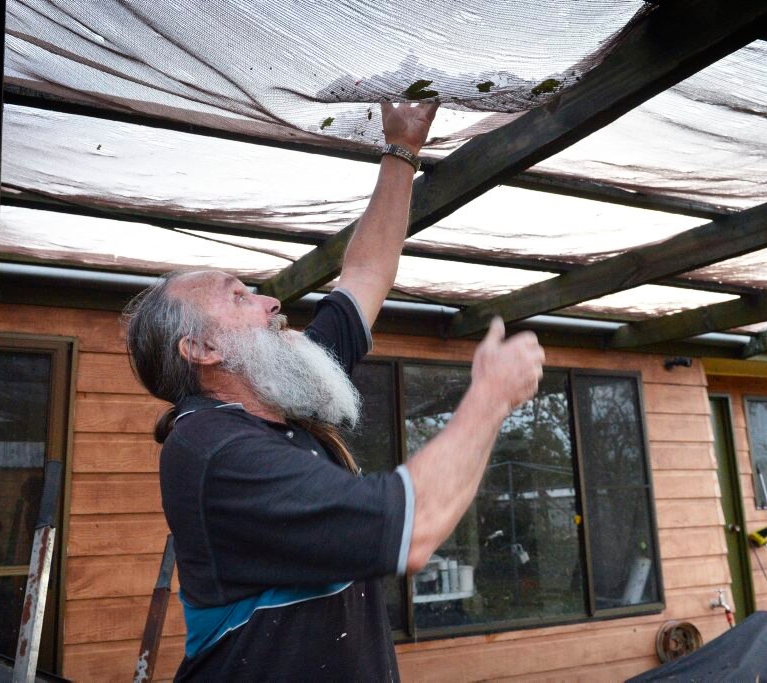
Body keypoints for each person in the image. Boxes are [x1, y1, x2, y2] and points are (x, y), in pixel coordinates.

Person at [123, 103, 545, 681]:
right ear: (201, 351)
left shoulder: (281, 395)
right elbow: (408, 528)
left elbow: (364, 278)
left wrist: (401, 150)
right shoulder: (212, 449)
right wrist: (491, 397)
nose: (271, 301)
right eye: (239, 296)